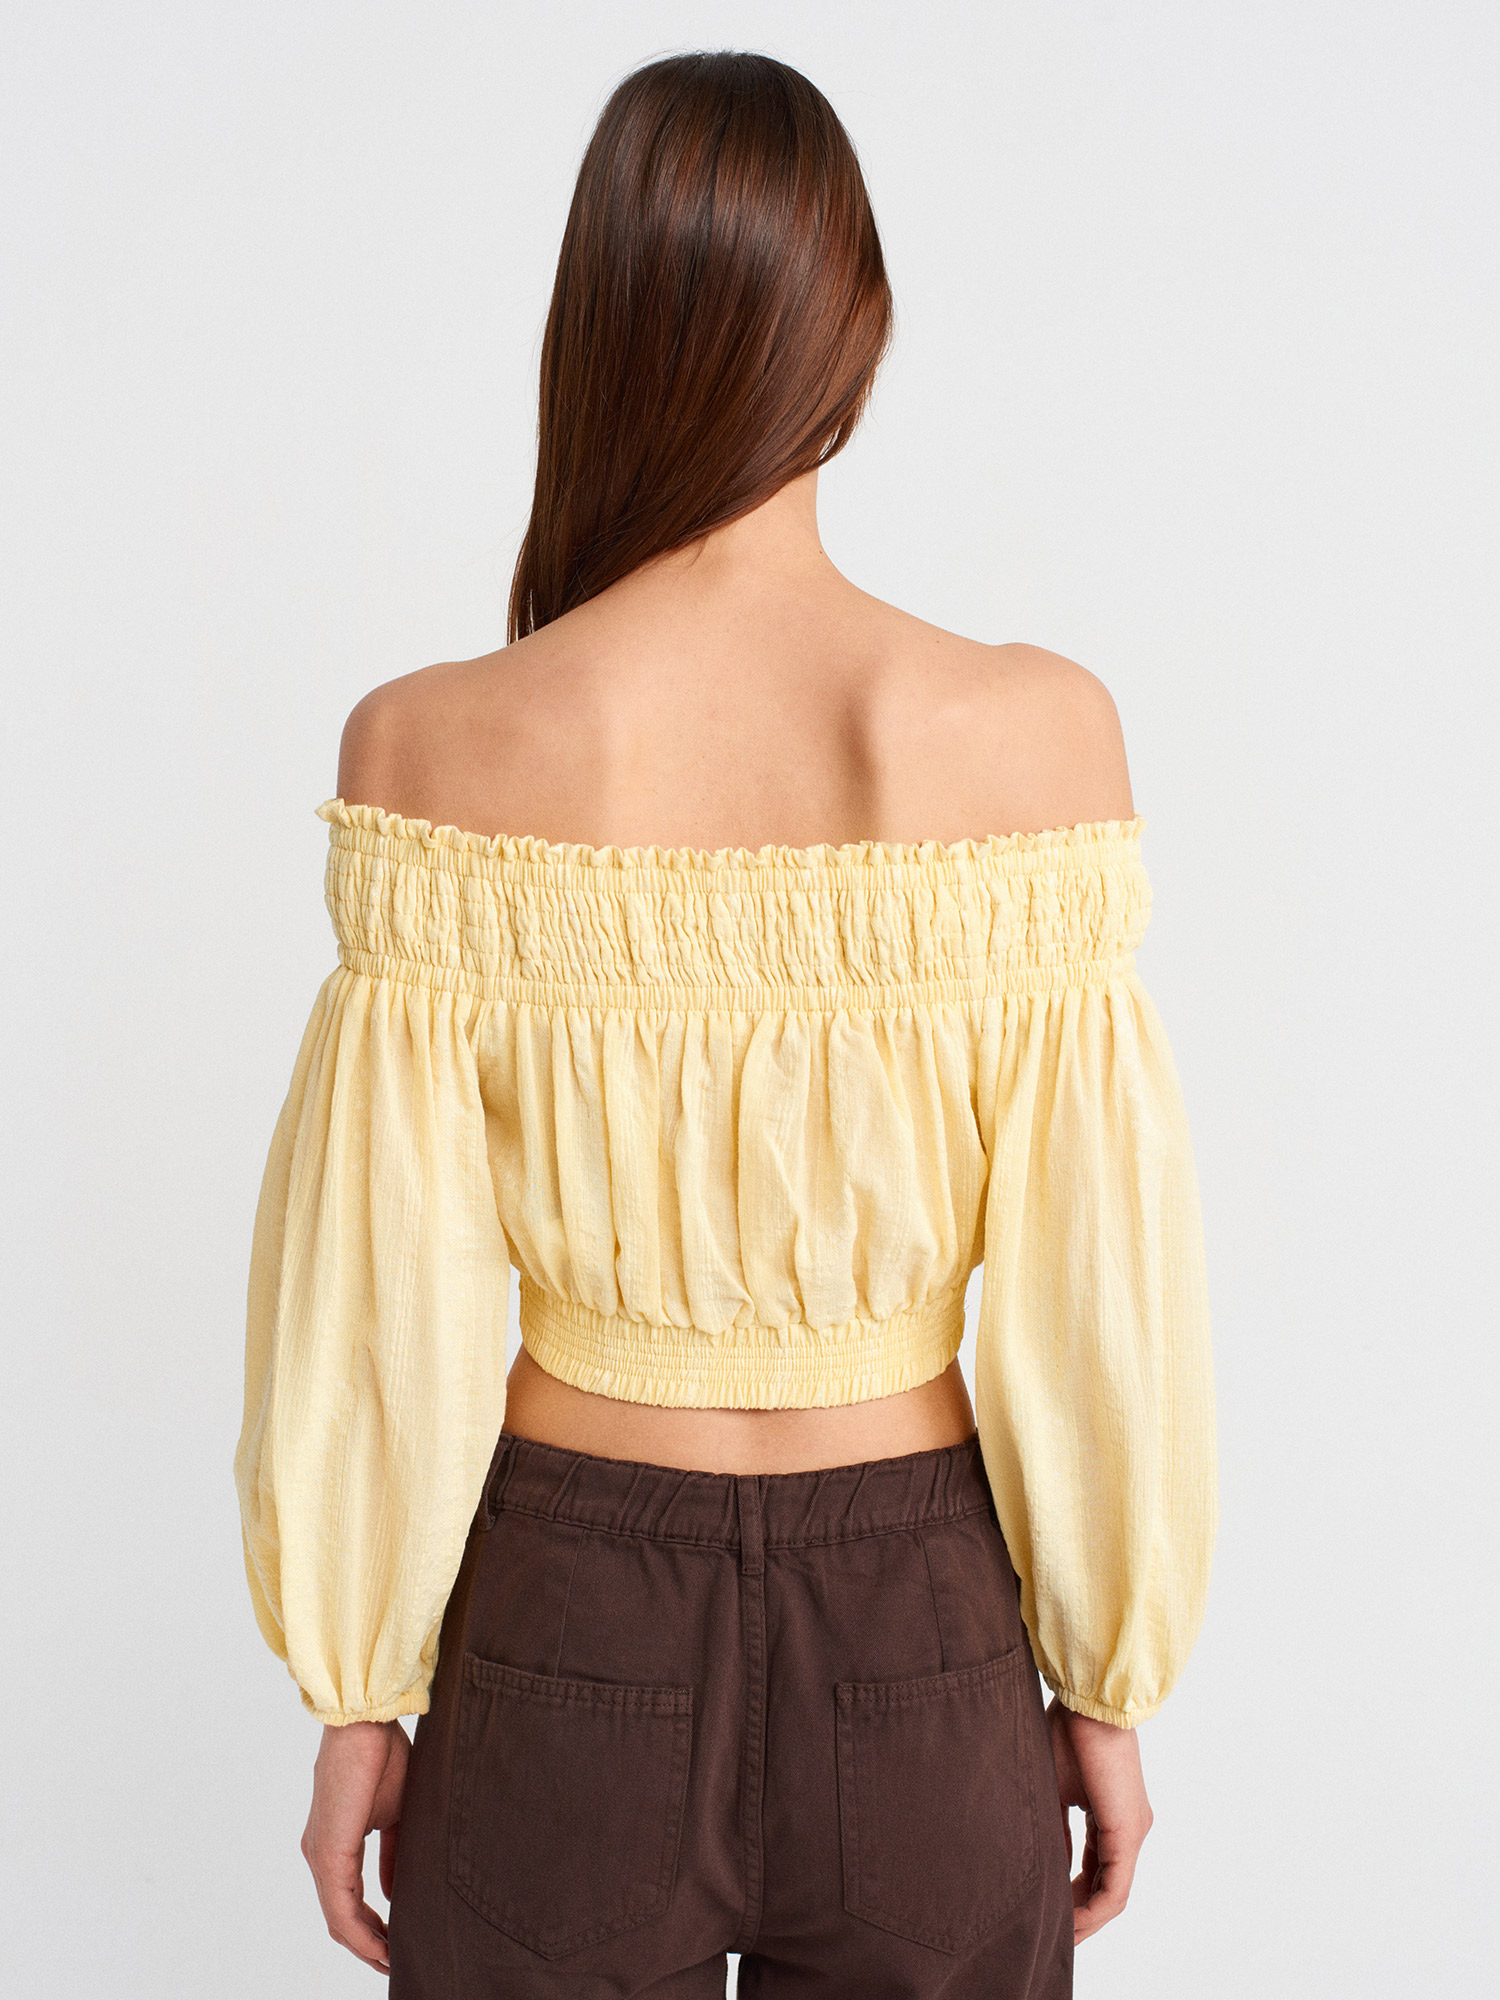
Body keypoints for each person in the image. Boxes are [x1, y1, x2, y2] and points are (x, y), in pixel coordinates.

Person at [234, 48, 1217, 2000]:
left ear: (594, 330)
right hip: (924, 1628)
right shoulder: (1034, 735)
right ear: (855, 330)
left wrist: (357, 1693)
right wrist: (1106, 1676)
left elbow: (368, 1295)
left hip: (565, 1625)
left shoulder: (432, 744)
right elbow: (1105, 1283)